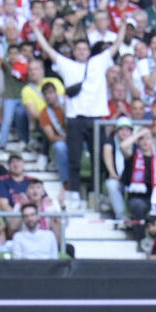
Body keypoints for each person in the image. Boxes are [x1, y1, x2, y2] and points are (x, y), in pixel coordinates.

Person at [32, 26, 124, 194]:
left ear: (89, 51)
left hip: (96, 118)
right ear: (73, 52)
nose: (82, 52)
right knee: (74, 158)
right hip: (75, 118)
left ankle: (93, 191)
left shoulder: (98, 62)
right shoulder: (67, 64)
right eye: (78, 49)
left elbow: (116, 45)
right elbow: (46, 48)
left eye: (85, 49)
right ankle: (73, 191)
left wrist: (123, 26)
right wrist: (36, 30)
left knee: (98, 158)